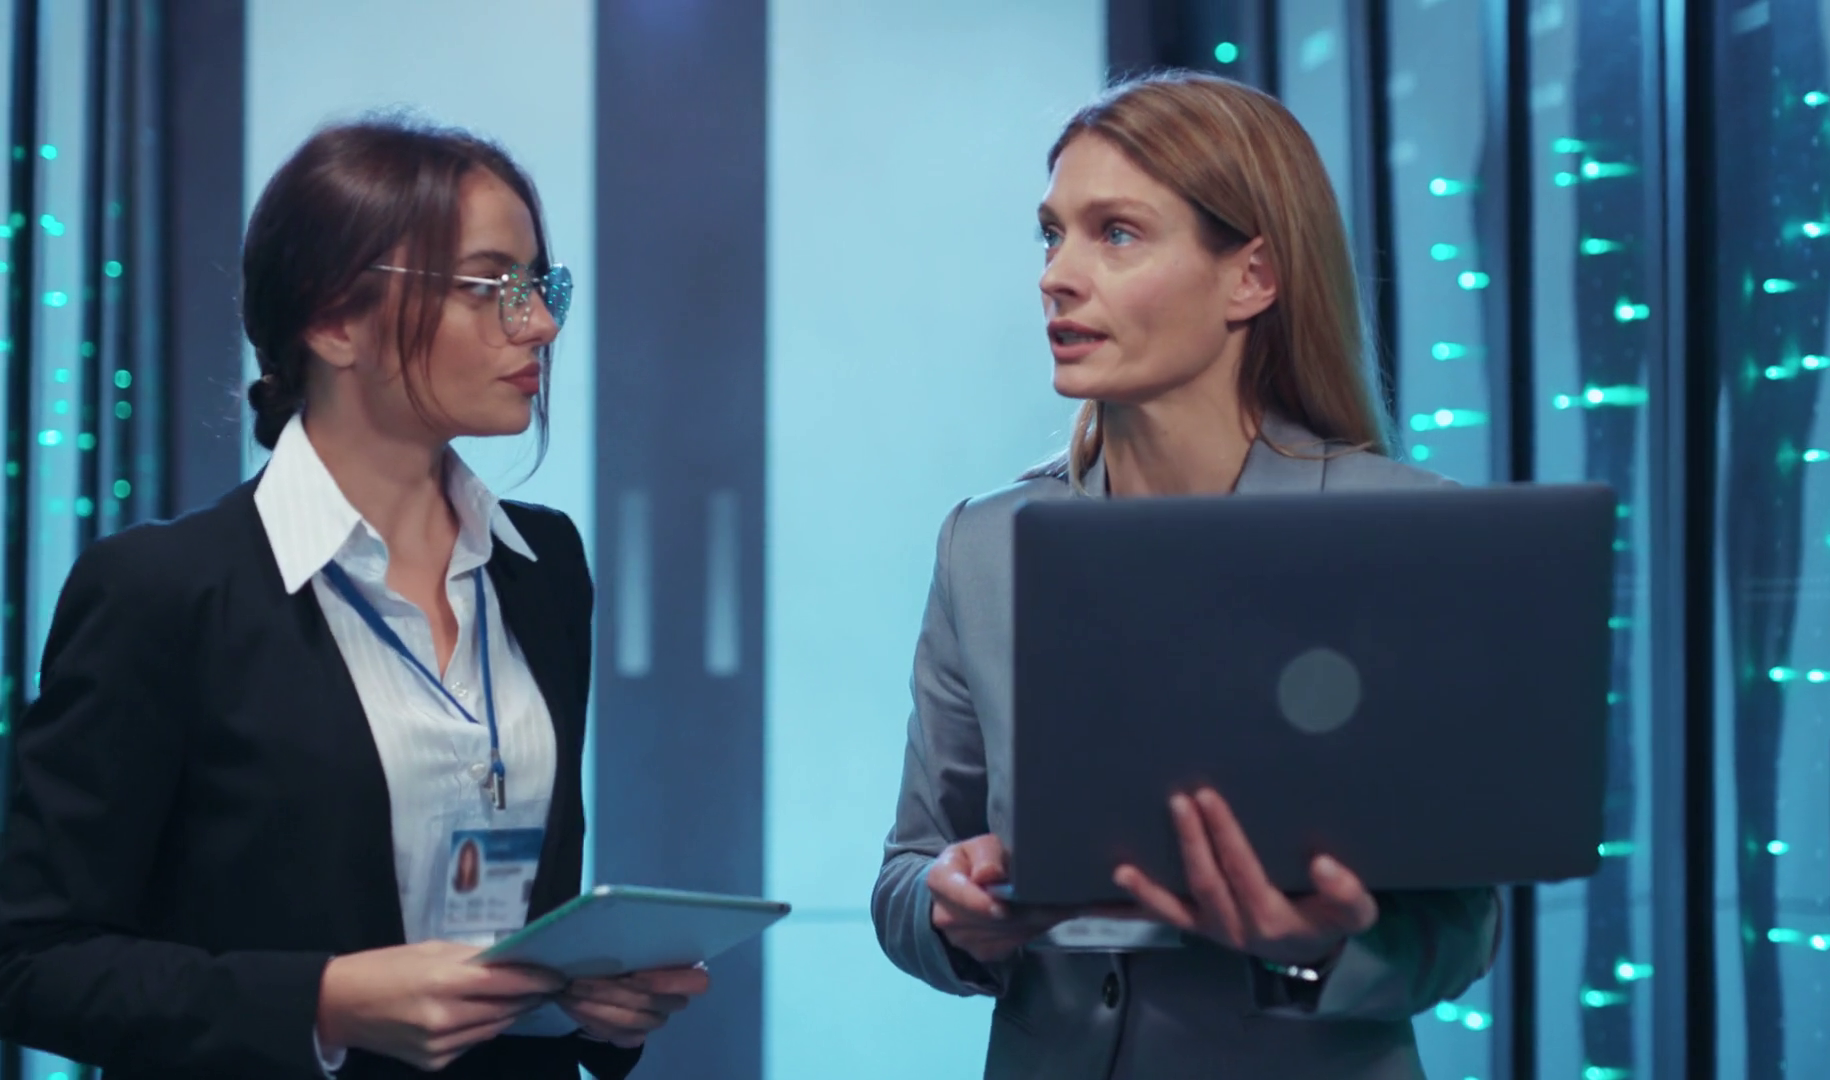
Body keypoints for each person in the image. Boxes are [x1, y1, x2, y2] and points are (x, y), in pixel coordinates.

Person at [0, 118, 707, 1079]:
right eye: (489, 287)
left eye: (540, 287)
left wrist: (594, 1012)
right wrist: (323, 1004)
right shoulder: (164, 590)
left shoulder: (543, 563)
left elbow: (516, 925)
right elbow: (34, 959)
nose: (538, 325)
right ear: (335, 321)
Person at [871, 72, 1500, 1080]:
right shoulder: (982, 545)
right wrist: (955, 916)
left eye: (1116, 234)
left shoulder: (1407, 531)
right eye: (1052, 235)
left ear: (1252, 277)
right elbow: (908, 874)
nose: (1057, 276)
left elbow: (1464, 929)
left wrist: (1319, 949)